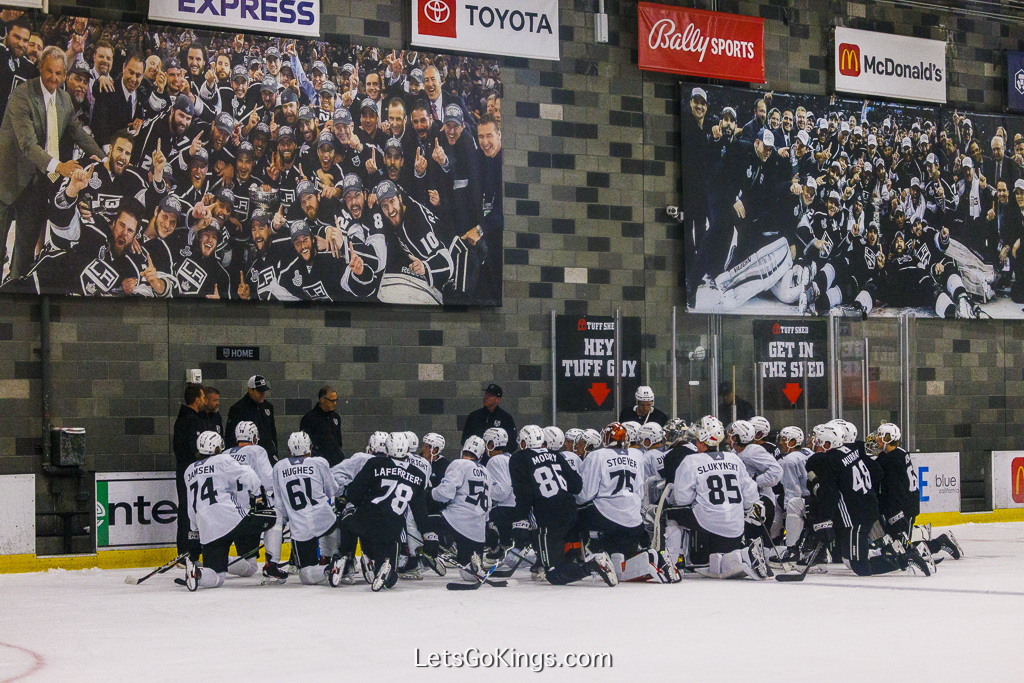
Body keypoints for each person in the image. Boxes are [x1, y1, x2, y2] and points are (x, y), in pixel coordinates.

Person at [0, 45, 103, 282]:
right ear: (40, 68)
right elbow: (28, 145)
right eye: (49, 71)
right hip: (8, 178)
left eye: (59, 73)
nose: (53, 78)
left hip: (36, 184)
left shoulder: (65, 99)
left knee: (24, 251)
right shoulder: (22, 95)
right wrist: (59, 167)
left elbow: (78, 133)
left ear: (64, 75)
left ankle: (15, 293)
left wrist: (102, 157)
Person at [804, 423, 933, 576]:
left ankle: (906, 558)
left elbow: (829, 494)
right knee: (849, 558)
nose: (815, 444)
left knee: (860, 567)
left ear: (827, 443)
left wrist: (815, 489)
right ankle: (891, 551)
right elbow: (877, 472)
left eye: (819, 442)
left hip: (855, 517)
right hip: (868, 508)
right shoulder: (853, 449)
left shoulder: (829, 461)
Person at [508, 425, 617, 587]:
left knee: (552, 573)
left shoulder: (518, 458)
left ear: (523, 443)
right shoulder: (555, 455)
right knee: (559, 555)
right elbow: (576, 485)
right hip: (570, 512)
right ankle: (547, 561)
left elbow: (523, 493)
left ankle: (592, 565)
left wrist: (520, 520)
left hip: (548, 517)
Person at [668, 415, 769, 579]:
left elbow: (682, 500)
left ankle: (673, 563)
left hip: (707, 526)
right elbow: (751, 496)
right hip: (736, 528)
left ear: (702, 441)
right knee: (718, 558)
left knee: (671, 514)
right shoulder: (734, 459)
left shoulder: (691, 461)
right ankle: (744, 554)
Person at [338, 432, 434, 591]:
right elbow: (420, 513)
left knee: (347, 516)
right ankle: (386, 570)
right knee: (388, 576)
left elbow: (354, 494)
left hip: (367, 520)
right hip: (392, 529)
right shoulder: (419, 474)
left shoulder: (375, 463)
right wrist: (429, 535)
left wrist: (347, 501)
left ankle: (346, 556)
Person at [180, 431, 270, 591]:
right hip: (233, 521)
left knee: (217, 577)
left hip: (209, 530)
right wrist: (259, 496)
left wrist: (194, 535)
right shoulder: (222, 460)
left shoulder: (189, 471)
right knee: (273, 518)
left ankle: (198, 575)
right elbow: (249, 474)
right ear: (217, 447)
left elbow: (191, 507)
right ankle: (273, 564)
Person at [871, 423, 962, 560]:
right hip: (903, 504)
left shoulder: (892, 459)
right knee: (898, 546)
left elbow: (896, 489)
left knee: (905, 551)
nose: (876, 438)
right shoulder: (897, 453)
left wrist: (895, 512)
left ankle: (941, 542)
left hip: (904, 507)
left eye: (880, 435)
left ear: (888, 438)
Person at [268, 431, 343, 585]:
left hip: (300, 527)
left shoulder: (279, 467)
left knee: (306, 574)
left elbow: (280, 505)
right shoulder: (319, 462)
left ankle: (328, 569)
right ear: (309, 447)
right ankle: (343, 564)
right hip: (325, 518)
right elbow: (332, 490)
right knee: (337, 535)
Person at [430, 436, 492, 581]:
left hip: (455, 521)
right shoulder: (486, 472)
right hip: (477, 530)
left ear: (463, 449)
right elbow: (488, 504)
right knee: (469, 575)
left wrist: (429, 493)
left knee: (420, 522)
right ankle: (474, 560)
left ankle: (430, 553)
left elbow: (445, 493)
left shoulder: (459, 464)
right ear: (481, 454)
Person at [172, 383, 205, 557]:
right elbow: (190, 449)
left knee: (192, 509)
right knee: (187, 509)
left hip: (189, 471)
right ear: (197, 399)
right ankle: (185, 550)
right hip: (188, 472)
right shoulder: (189, 420)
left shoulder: (190, 418)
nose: (205, 401)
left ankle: (192, 549)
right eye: (203, 397)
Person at [225, 375, 278, 460]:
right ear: (250, 390)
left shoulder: (268, 407)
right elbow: (230, 436)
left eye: (264, 391)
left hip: (267, 454)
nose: (263, 394)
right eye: (260, 391)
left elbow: (272, 433)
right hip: (247, 457)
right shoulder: (238, 409)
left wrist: (274, 453)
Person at [299, 385, 344, 466]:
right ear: (322, 400)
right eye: (332, 401)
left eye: (336, 400)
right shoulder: (309, 418)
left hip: (335, 461)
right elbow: (306, 443)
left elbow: (338, 438)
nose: (335, 403)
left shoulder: (335, 417)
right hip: (318, 463)